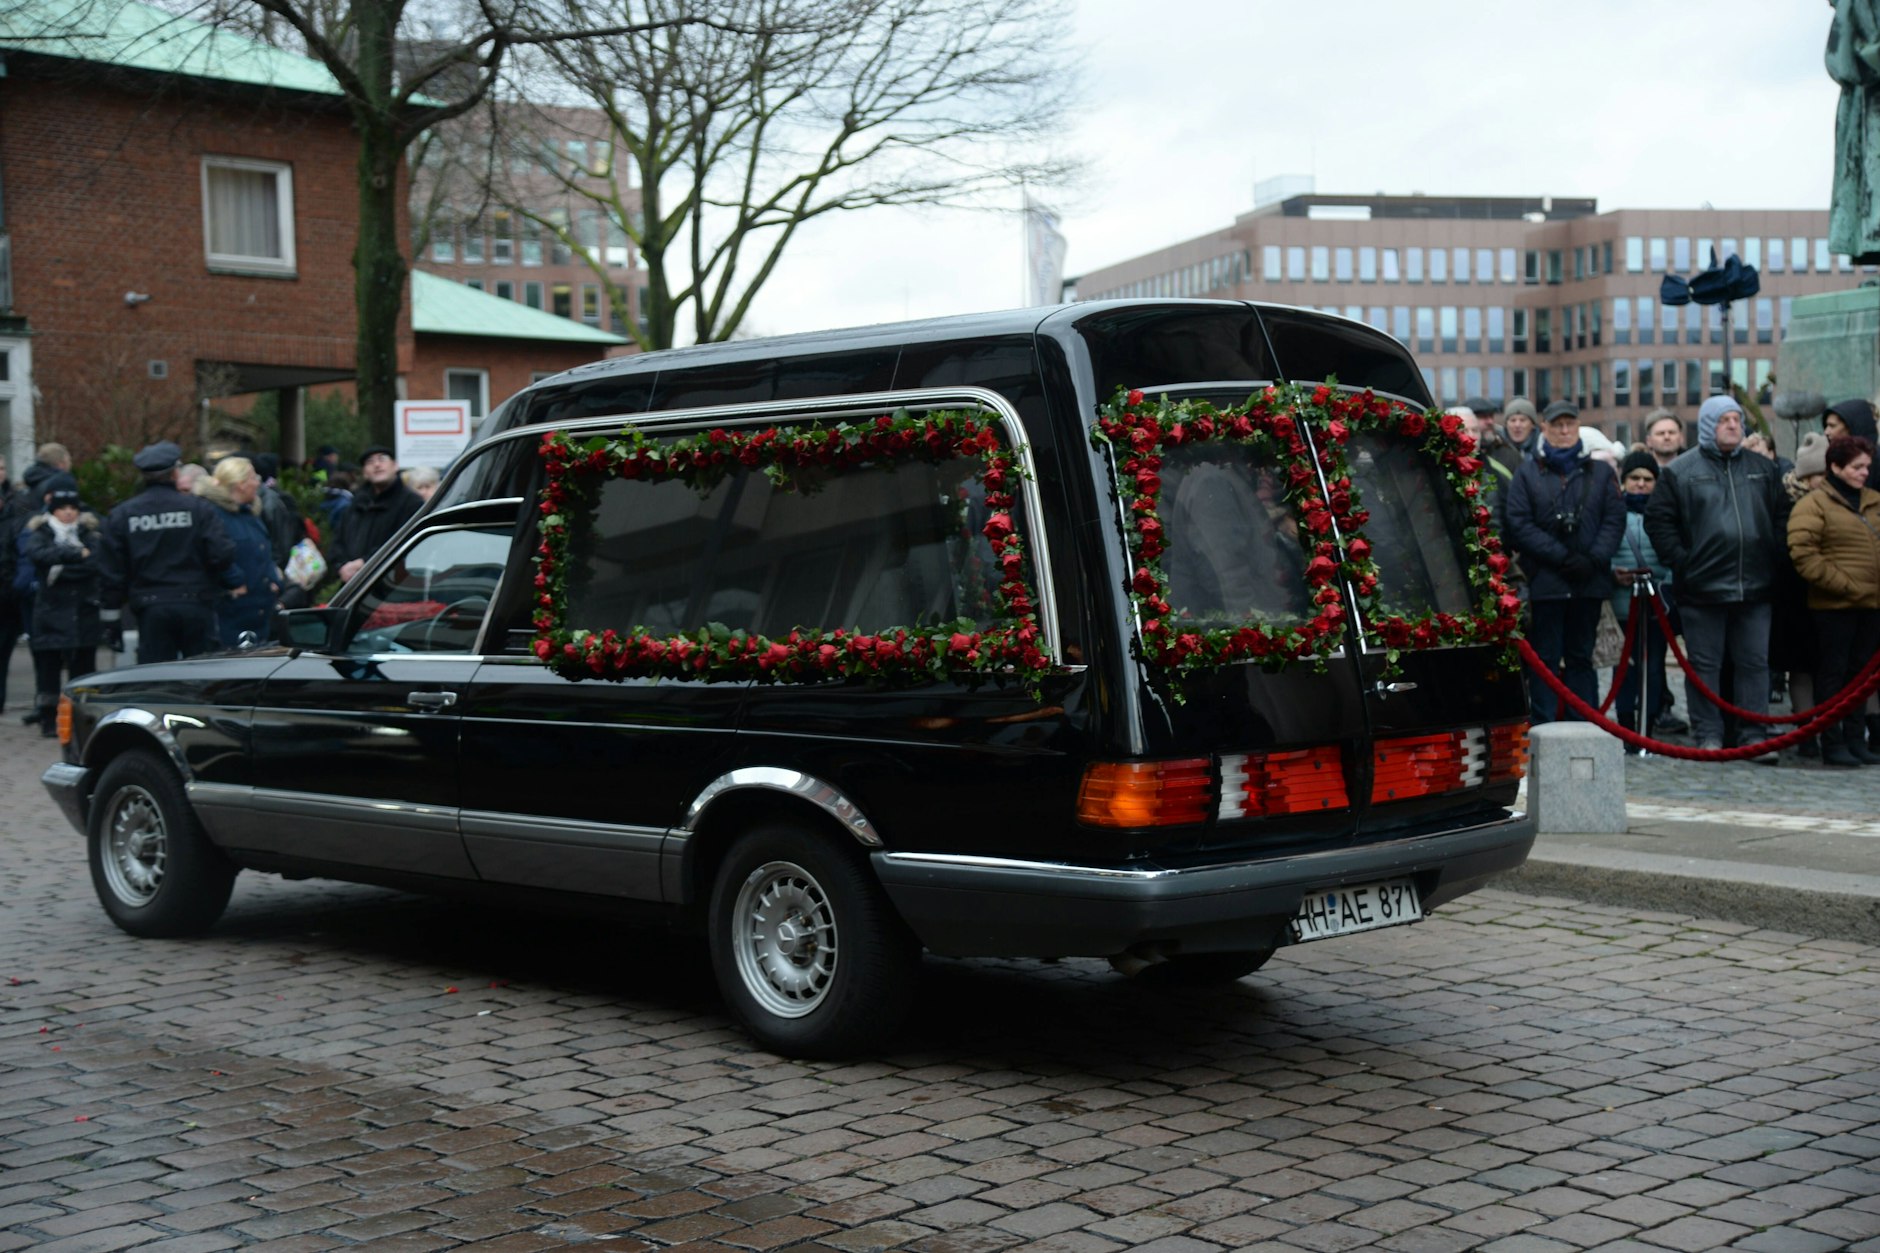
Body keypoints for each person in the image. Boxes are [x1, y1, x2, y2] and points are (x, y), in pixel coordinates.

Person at [1644, 395, 1792, 757]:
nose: (1733, 425)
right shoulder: (1681, 471)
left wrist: (1772, 554)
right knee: (1705, 667)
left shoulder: (1763, 468)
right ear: (1709, 424)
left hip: (1755, 586)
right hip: (1702, 588)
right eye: (1725, 419)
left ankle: (1754, 735)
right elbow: (1659, 522)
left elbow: (1782, 516)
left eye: (1737, 419)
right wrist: (1685, 562)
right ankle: (1708, 734)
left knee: (1755, 664)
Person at [1504, 400, 1624, 722]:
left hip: (1589, 583)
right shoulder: (1528, 473)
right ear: (1544, 428)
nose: (1565, 430)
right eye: (1558, 425)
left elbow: (1614, 520)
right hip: (1546, 583)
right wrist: (1561, 557)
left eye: (1570, 423)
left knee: (1581, 658)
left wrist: (1592, 559)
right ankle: (1544, 727)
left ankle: (1585, 724)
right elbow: (1519, 523)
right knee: (1545, 659)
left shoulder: (1600, 473)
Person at [95, 441, 245, 664]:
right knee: (203, 677)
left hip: (151, 609)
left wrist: (111, 620)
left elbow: (111, 572)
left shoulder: (122, 515)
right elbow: (222, 554)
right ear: (175, 473)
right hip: (196, 605)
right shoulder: (199, 509)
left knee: (157, 681)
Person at [1787, 435, 1880, 767]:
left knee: (1861, 676)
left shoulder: (1873, 501)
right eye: (1857, 467)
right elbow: (1804, 554)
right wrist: (1844, 585)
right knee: (1833, 674)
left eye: (1867, 466)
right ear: (1836, 467)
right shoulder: (1813, 505)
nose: (1864, 473)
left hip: (1871, 606)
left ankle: (1856, 739)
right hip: (1833, 607)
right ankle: (1833, 741)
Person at [23, 486, 103, 736]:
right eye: (62, 509)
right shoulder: (41, 533)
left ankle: (83, 719)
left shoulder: (90, 533)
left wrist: (61, 569)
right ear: (53, 510)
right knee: (49, 672)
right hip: (50, 615)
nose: (68, 513)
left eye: (72, 508)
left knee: (83, 670)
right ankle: (49, 720)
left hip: (84, 613)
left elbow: (95, 563)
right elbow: (39, 555)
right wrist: (77, 553)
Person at [1609, 451, 1673, 735]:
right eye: (1634, 478)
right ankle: (1625, 726)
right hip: (1622, 606)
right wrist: (1613, 573)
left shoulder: (1667, 514)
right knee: (1624, 669)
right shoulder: (1612, 515)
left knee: (1655, 667)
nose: (1641, 484)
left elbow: (1674, 557)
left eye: (1648, 479)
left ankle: (1648, 725)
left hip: (1657, 605)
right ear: (1624, 481)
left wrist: (1665, 585)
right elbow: (1604, 551)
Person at [195, 457, 283, 648]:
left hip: (259, 611)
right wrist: (235, 580)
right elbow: (214, 553)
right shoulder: (213, 515)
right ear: (240, 484)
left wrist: (274, 580)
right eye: (253, 477)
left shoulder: (251, 514)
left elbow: (264, 550)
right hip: (232, 612)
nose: (258, 482)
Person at [330, 444, 424, 583]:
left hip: (395, 585)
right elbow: (337, 541)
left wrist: (365, 563)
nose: (377, 465)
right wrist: (342, 566)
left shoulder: (411, 503)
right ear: (364, 472)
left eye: (382, 459)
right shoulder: (355, 504)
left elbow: (405, 544)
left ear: (395, 466)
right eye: (370, 462)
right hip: (354, 586)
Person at [1824, 398, 1879, 488]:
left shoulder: (1876, 459)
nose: (1826, 432)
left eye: (1832, 426)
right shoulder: (1833, 455)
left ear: (1850, 426)